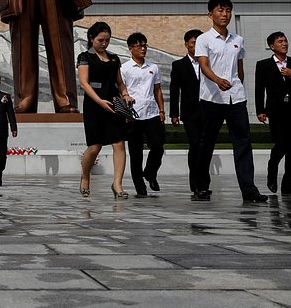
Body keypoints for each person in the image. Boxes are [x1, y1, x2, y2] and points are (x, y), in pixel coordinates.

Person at [193, 0, 267, 203]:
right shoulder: (203, 39)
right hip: (212, 98)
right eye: (220, 10)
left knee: (243, 143)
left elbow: (239, 70)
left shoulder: (238, 40)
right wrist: (217, 80)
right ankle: (200, 186)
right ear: (210, 14)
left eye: (227, 10)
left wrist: (238, 87)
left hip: (236, 99)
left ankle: (249, 190)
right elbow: (204, 65)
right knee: (206, 143)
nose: (224, 14)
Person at [77, 22, 133, 199]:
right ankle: (85, 176)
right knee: (95, 147)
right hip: (94, 104)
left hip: (114, 103)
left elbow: (120, 82)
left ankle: (117, 184)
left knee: (119, 143)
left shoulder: (114, 58)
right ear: (91, 38)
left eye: (107, 40)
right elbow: (84, 83)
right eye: (100, 40)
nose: (104, 44)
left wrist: (125, 94)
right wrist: (100, 101)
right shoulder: (85, 57)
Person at [255, 31, 291, 196]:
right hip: (275, 111)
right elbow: (259, 89)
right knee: (281, 144)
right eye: (280, 41)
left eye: (285, 41)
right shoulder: (263, 65)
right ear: (272, 46)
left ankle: (288, 185)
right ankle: (272, 170)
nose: (284, 44)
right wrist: (260, 110)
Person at [121, 32, 166, 197]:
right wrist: (125, 113)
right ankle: (139, 186)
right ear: (131, 48)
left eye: (145, 45)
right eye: (139, 46)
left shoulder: (153, 67)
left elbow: (157, 90)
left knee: (158, 146)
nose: (143, 48)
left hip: (152, 113)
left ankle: (150, 172)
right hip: (133, 115)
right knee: (136, 152)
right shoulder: (124, 69)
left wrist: (162, 110)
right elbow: (121, 91)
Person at [169, 29, 204, 194]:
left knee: (205, 147)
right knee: (195, 144)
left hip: (208, 110)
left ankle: (204, 183)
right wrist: (174, 113)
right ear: (187, 44)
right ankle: (195, 183)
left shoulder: (209, 63)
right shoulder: (179, 65)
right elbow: (174, 90)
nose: (196, 46)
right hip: (190, 112)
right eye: (193, 43)